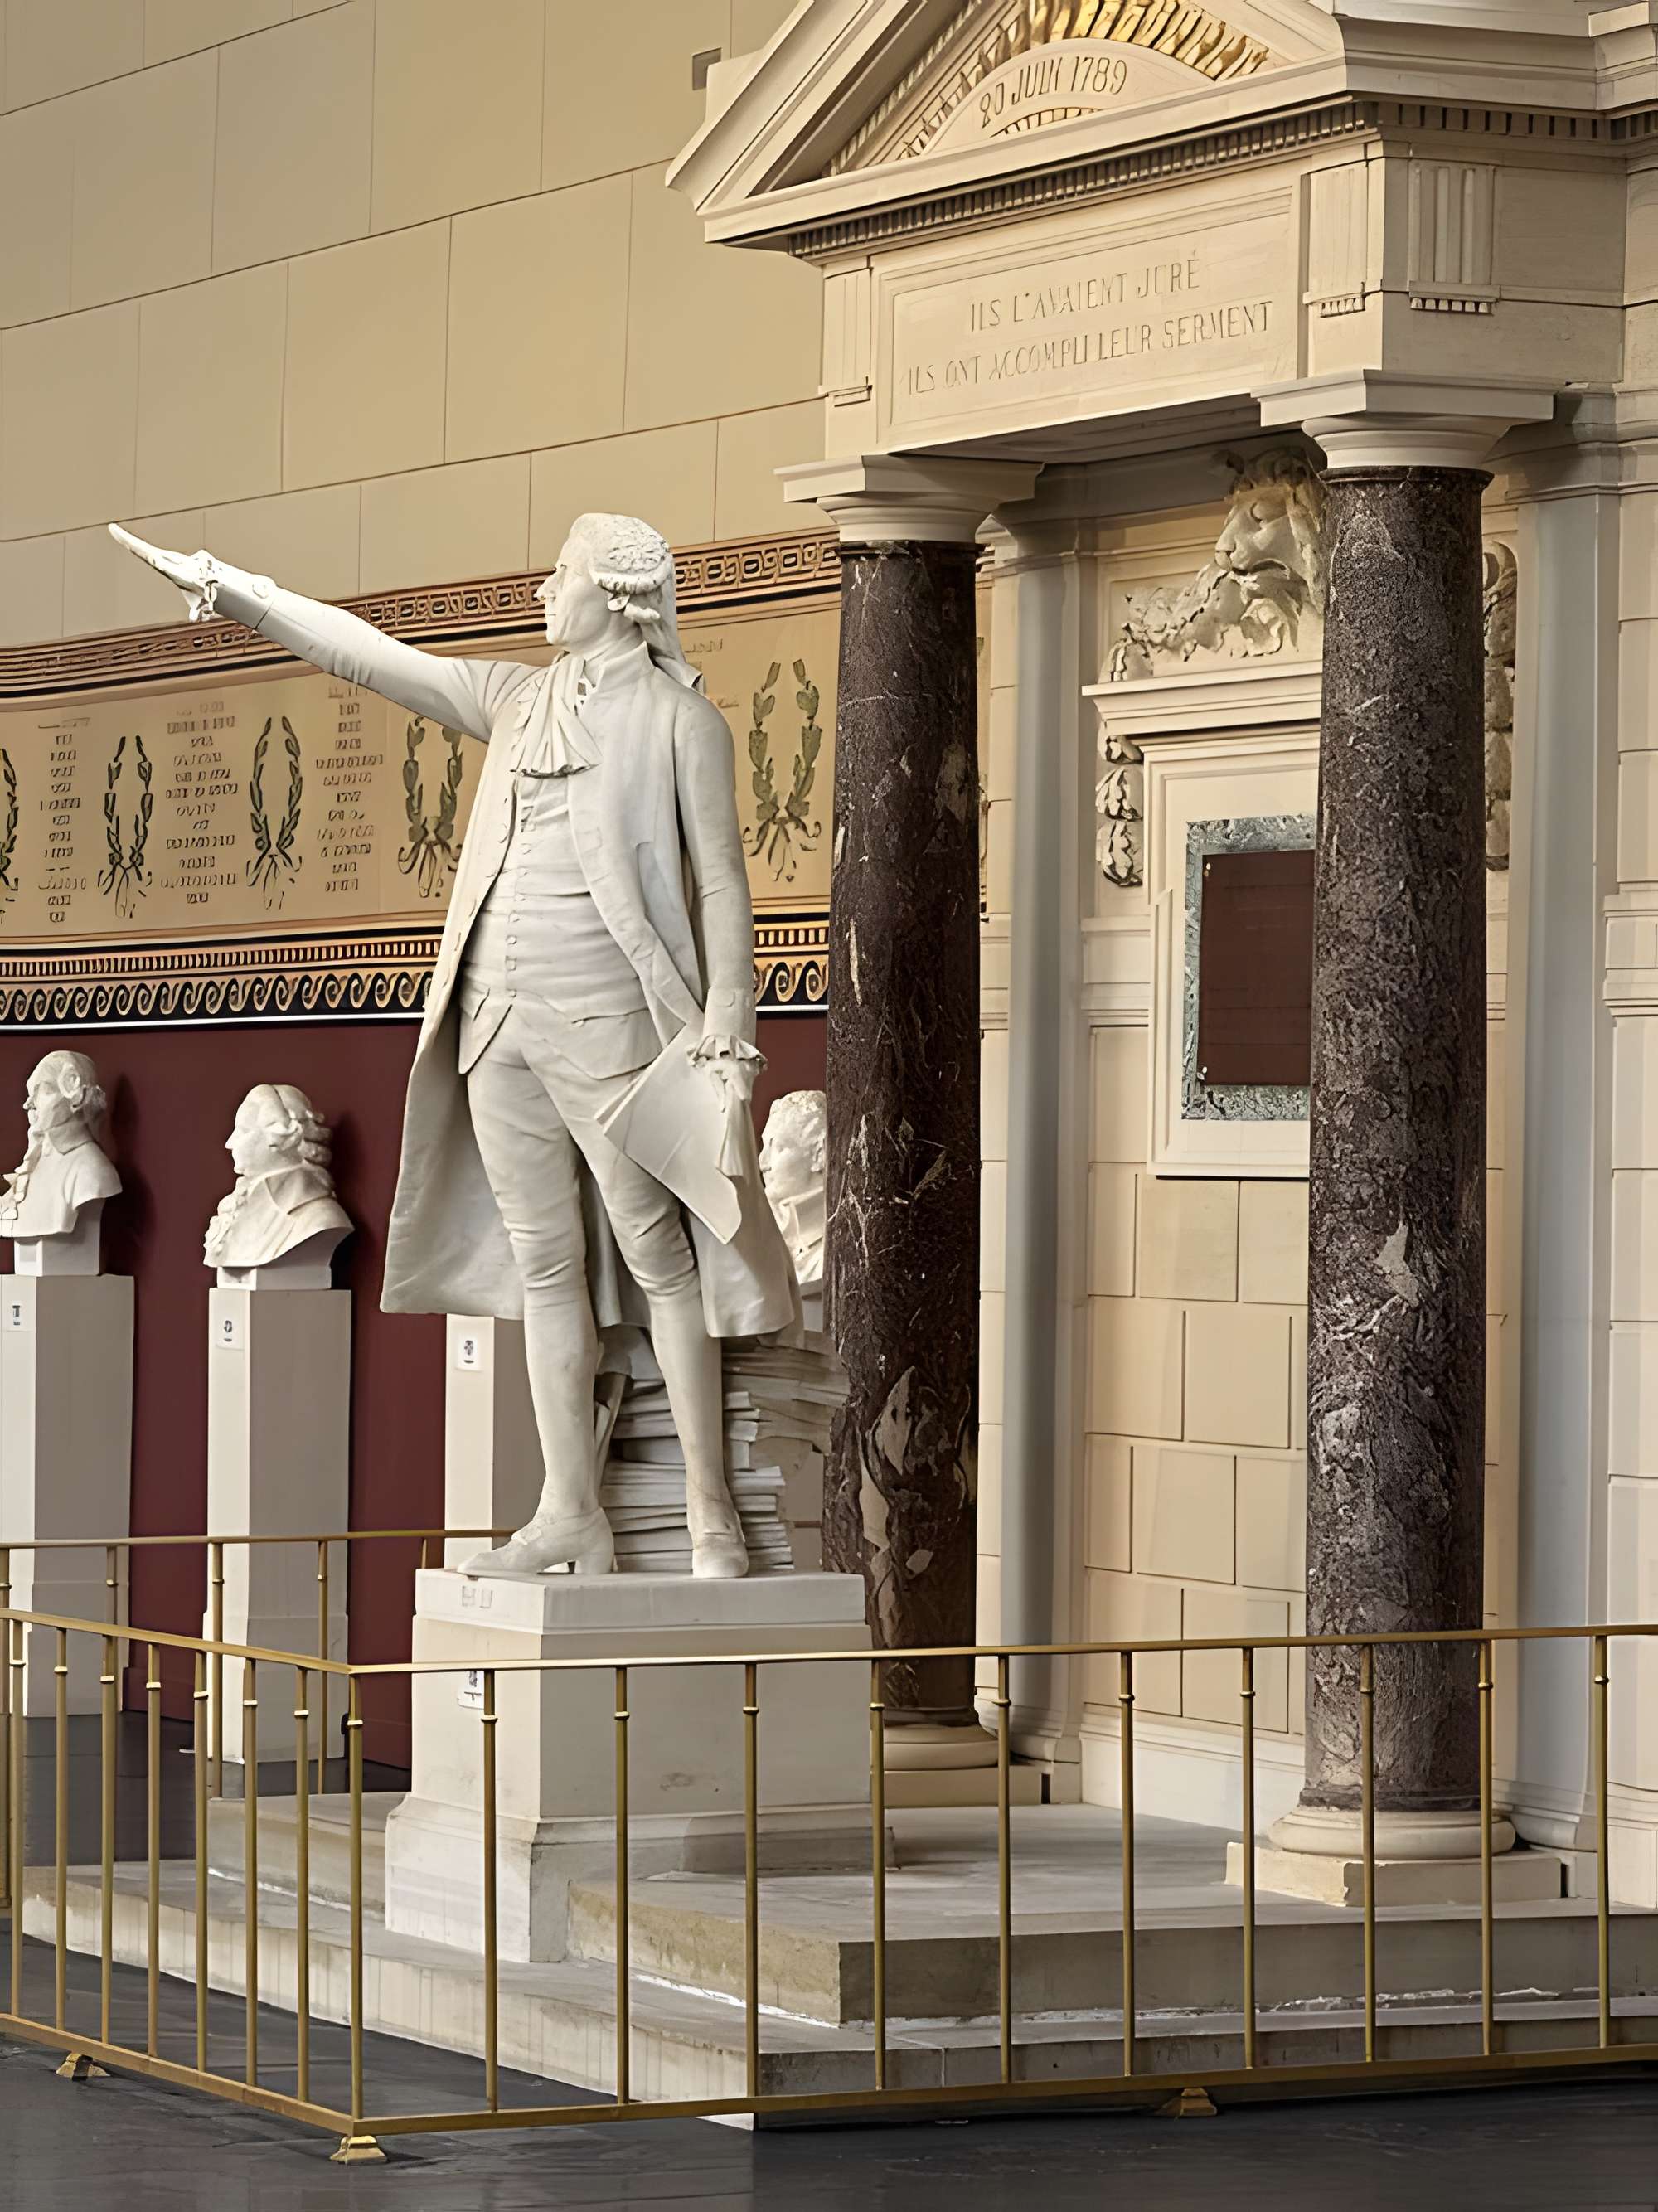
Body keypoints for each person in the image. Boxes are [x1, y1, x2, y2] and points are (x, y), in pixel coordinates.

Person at [114, 515, 796, 1579]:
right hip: (494, 1017)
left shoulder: (678, 722)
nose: (541, 590)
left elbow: (719, 883)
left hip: (612, 1022)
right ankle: (571, 1509)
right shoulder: (517, 699)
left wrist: (727, 1031)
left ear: (613, 594)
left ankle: (710, 1513)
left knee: (660, 1258)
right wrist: (232, 588)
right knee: (544, 1265)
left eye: (560, 574)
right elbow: (373, 657)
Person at [204, 1084, 351, 1272]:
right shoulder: (235, 1205)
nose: (230, 1143)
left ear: (285, 1137)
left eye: (242, 1130)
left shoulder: (322, 1218)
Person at [0, 1050, 121, 1242]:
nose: (29, 1104)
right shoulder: (37, 1165)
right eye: (32, 1093)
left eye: (44, 1090)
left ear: (75, 1097)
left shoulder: (91, 1170)